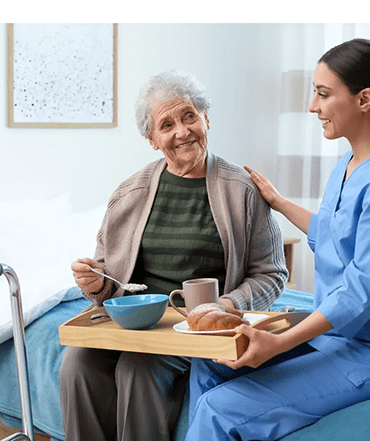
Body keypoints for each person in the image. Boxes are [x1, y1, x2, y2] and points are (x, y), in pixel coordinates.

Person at [185, 38, 370, 441]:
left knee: (218, 408)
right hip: (336, 337)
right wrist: (277, 201)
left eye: (323, 94)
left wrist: (277, 345)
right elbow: (332, 236)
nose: (313, 106)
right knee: (211, 359)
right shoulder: (348, 164)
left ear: (364, 99)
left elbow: (360, 291)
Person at [59, 70, 288, 441]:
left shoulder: (241, 191)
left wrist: (227, 304)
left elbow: (272, 273)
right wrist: (97, 282)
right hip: (135, 321)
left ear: (206, 120)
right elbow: (106, 282)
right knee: (77, 363)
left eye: (189, 117)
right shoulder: (128, 194)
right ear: (152, 139)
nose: (182, 132)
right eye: (166, 125)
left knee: (137, 369)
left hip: (194, 326)